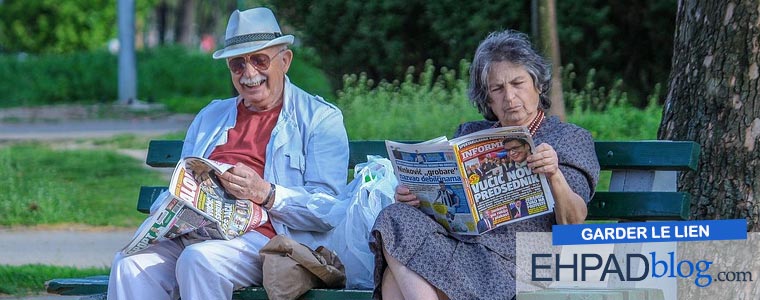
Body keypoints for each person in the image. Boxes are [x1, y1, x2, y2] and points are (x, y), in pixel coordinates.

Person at [107, 7, 349, 300]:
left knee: (198, 261)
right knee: (129, 264)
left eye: (260, 60)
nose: (249, 74)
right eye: (237, 64)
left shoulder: (320, 119)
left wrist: (267, 193)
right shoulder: (212, 116)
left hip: (266, 242)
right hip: (197, 234)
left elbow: (329, 211)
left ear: (285, 61)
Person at [370, 30, 600, 300]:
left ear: (538, 85)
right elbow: (446, 208)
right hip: (467, 252)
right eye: (498, 89)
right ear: (487, 98)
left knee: (396, 275)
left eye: (518, 83)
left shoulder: (568, 139)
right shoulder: (470, 134)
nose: (510, 98)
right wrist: (415, 197)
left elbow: (574, 223)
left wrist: (554, 174)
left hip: (528, 262)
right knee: (395, 217)